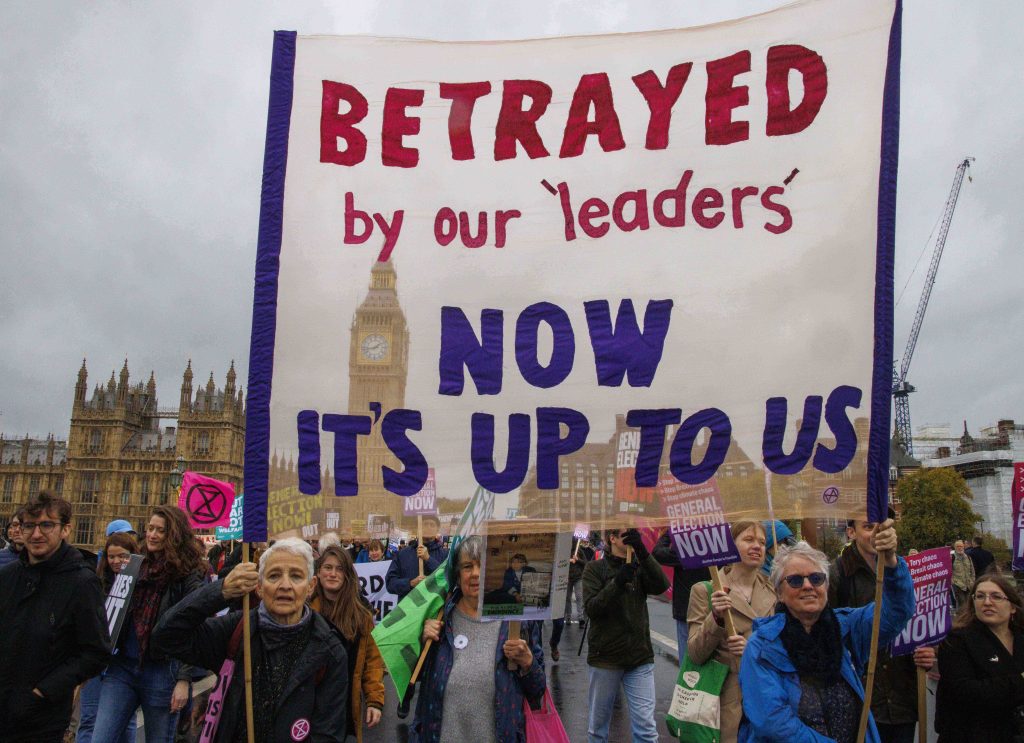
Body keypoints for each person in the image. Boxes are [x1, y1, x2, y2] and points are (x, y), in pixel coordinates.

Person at [152, 537, 350, 742]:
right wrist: (219, 592)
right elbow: (166, 636)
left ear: (311, 586)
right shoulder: (237, 631)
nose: (285, 585)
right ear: (259, 587)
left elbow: (327, 733)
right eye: (273, 576)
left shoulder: (329, 650)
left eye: (296, 576)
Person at [738, 520, 915, 743]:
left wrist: (890, 562)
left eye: (816, 578)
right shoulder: (761, 646)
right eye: (795, 580)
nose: (807, 586)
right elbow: (772, 722)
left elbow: (897, 612)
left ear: (826, 585)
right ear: (779, 593)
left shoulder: (847, 627)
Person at [0, 491, 111, 742]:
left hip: (41, 717)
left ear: (65, 530)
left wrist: (42, 692)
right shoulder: (8, 577)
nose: (36, 533)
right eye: (29, 525)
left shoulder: (82, 582)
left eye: (47, 525)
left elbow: (96, 652)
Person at [414, 536, 546, 742]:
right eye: (467, 566)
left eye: (483, 566)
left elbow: (538, 691)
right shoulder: (440, 617)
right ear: (457, 576)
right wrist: (423, 642)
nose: (475, 573)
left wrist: (528, 662)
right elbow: (415, 678)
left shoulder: (517, 621)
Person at [91, 505, 204, 743]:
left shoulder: (186, 574)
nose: (152, 535)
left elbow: (193, 626)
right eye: (150, 528)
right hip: (122, 667)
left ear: (174, 534)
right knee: (100, 738)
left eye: (160, 530)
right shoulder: (134, 564)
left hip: (161, 671)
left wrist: (184, 679)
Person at [829, 517, 935, 743]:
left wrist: (929, 652)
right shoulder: (835, 575)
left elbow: (919, 621)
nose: (877, 532)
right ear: (851, 532)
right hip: (862, 695)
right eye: (868, 527)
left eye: (883, 526)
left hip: (902, 695)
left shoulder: (903, 570)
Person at [686, 521, 775, 743]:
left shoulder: (776, 590)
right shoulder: (704, 591)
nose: (757, 546)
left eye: (762, 542)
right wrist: (715, 617)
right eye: (748, 540)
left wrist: (754, 649)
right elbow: (695, 654)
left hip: (765, 698)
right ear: (730, 545)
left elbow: (785, 647)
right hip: (723, 703)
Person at [583, 527, 670, 743]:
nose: (631, 536)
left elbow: (662, 585)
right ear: (612, 538)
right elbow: (592, 609)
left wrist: (642, 551)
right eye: (625, 533)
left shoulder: (639, 566)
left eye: (634, 533)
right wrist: (618, 582)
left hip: (639, 659)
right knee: (598, 730)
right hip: (606, 659)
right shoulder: (595, 569)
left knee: (647, 730)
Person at [935, 573, 1024, 741]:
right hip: (969, 734)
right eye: (980, 596)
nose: (987, 602)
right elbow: (965, 692)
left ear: (1012, 606)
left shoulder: (1020, 638)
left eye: (996, 597)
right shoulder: (957, 640)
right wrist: (1019, 681)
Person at [310, 545, 384, 742]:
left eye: (340, 568)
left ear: (347, 575)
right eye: (328, 567)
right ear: (318, 572)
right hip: (310, 703)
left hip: (343, 705)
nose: (333, 574)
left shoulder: (361, 615)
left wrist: (374, 701)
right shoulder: (305, 611)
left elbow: (373, 661)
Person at [77, 530, 141, 743]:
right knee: (89, 717)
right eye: (111, 556)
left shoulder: (141, 585)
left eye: (122, 556)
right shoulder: (94, 582)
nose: (116, 561)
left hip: (122, 662)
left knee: (125, 720)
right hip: (95, 659)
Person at [386, 514, 449, 718]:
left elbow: (448, 580)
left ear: (437, 528)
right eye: (425, 524)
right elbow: (390, 582)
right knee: (408, 660)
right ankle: (406, 695)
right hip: (409, 616)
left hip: (434, 616)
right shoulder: (403, 555)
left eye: (432, 524)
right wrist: (410, 583)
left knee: (432, 661)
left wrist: (429, 561)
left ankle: (431, 707)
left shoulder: (446, 555)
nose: (428, 527)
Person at [653, 527, 710, 665]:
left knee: (688, 662)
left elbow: (657, 552)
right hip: (712, 608)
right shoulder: (716, 546)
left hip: (687, 610)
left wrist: (670, 531)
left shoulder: (685, 551)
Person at [549, 537, 595, 661]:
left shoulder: (578, 549)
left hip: (577, 577)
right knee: (567, 598)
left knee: (580, 597)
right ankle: (567, 616)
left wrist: (578, 560)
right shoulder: (560, 550)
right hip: (565, 578)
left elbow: (585, 563)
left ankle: (581, 618)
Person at [951, 539, 976, 608]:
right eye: (958, 546)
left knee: (969, 604)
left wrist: (972, 580)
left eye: (961, 546)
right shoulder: (952, 558)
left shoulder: (968, 557)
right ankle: (961, 617)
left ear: (963, 547)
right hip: (958, 585)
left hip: (969, 585)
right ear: (955, 548)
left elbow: (972, 570)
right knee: (961, 605)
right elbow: (949, 571)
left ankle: (967, 617)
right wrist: (953, 582)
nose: (959, 548)